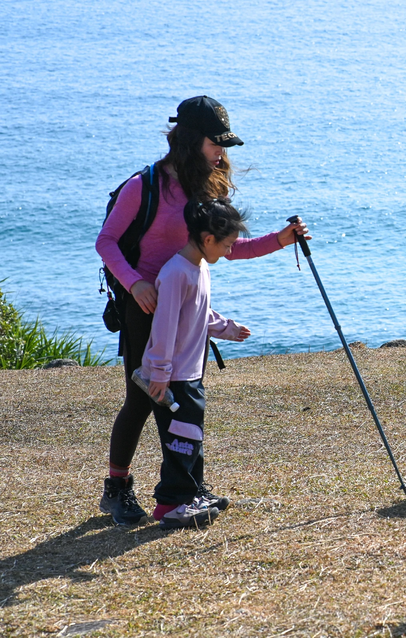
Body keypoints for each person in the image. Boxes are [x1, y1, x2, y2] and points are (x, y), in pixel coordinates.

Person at [95, 96, 309, 525]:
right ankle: (118, 489)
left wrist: (282, 240)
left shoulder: (208, 185)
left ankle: (187, 487)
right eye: (217, 143)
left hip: (186, 304)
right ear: (193, 140)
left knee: (185, 401)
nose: (223, 153)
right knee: (143, 400)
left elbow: (230, 248)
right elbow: (107, 243)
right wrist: (134, 282)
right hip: (145, 303)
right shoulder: (145, 186)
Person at [143, 198, 249, 529]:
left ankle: (193, 493)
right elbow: (164, 325)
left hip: (190, 373)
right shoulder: (176, 273)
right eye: (228, 244)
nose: (229, 251)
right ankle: (171, 505)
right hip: (172, 377)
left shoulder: (199, 267)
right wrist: (159, 373)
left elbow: (200, 312)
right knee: (180, 440)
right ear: (207, 239)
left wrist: (226, 328)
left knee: (192, 437)